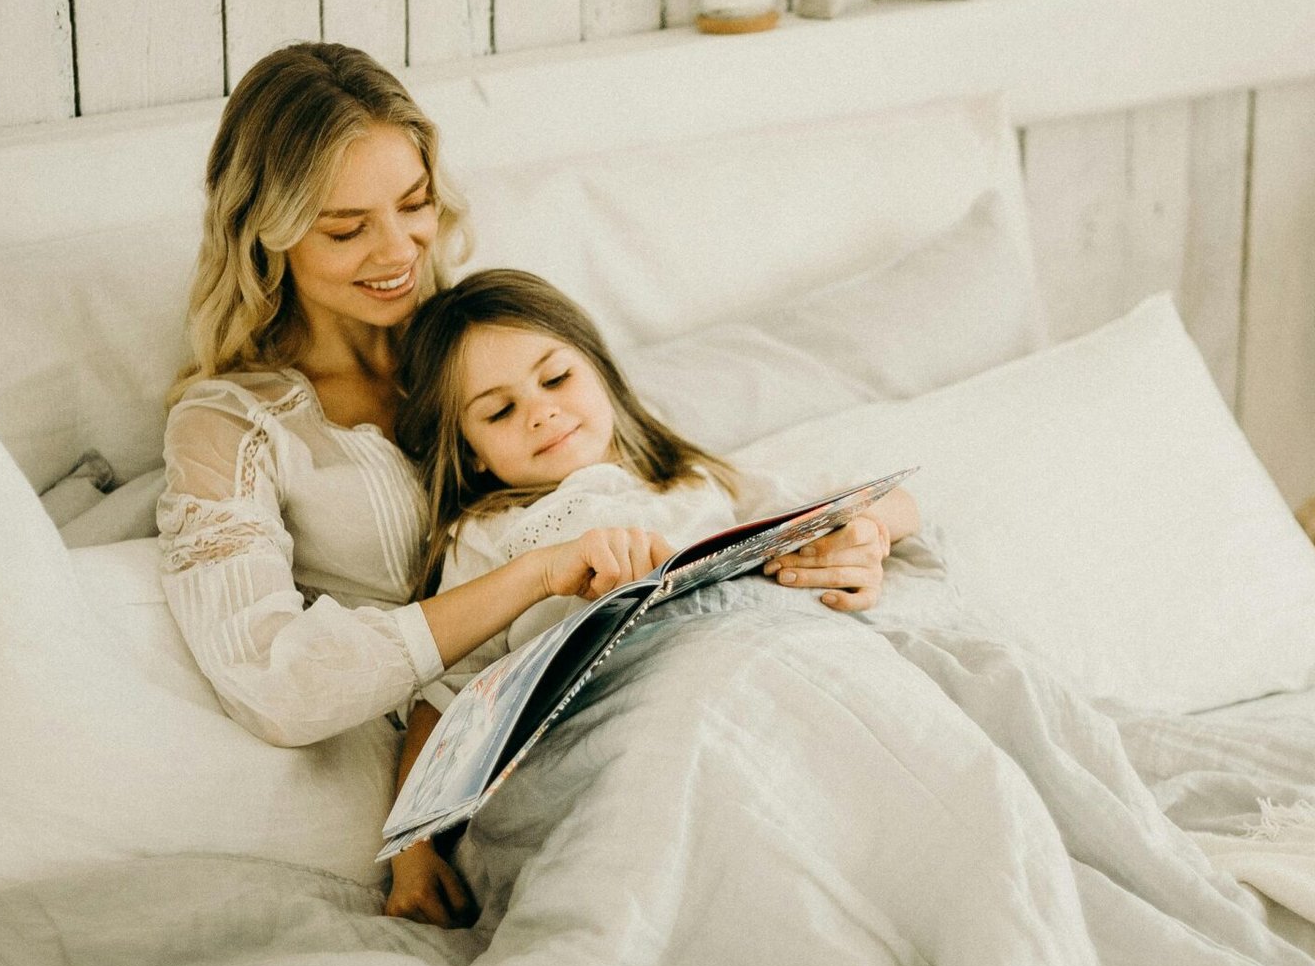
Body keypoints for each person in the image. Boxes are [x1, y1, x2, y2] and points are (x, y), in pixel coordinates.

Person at [157, 40, 910, 926]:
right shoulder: (230, 428)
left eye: (414, 203)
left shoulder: (495, 343)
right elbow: (278, 687)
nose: (397, 249)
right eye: (345, 226)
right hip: (515, 746)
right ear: (264, 227)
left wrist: (861, 535)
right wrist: (537, 575)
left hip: (676, 664)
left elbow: (671, 478)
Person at [385, 268, 924, 924]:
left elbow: (889, 500)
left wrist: (865, 533)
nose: (542, 411)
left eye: (556, 379)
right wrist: (411, 851)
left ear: (601, 374)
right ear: (468, 452)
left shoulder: (692, 481)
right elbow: (443, 701)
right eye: (500, 410)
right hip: (628, 729)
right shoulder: (490, 536)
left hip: (763, 670)